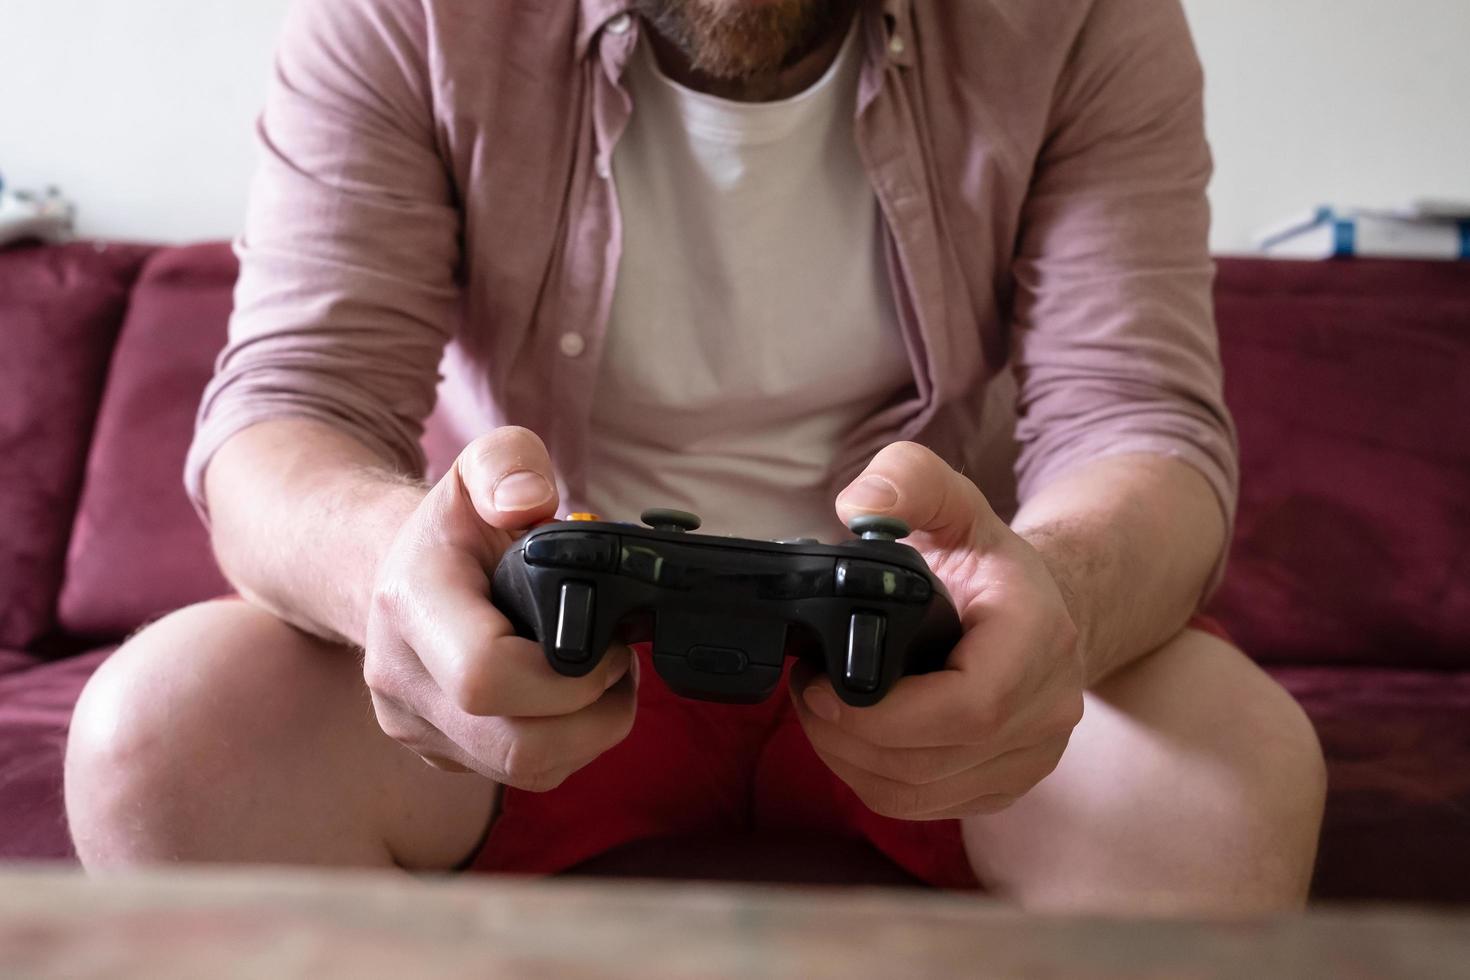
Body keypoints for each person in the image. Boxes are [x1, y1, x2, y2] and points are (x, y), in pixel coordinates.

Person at [65, 0, 1326, 914]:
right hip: (533, 649)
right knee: (159, 736)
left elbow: (1138, 425)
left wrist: (1061, 594)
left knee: (1229, 783)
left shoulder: (1089, 20)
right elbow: (290, 414)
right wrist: (394, 573)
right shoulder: (399, 15)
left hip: (930, 659)